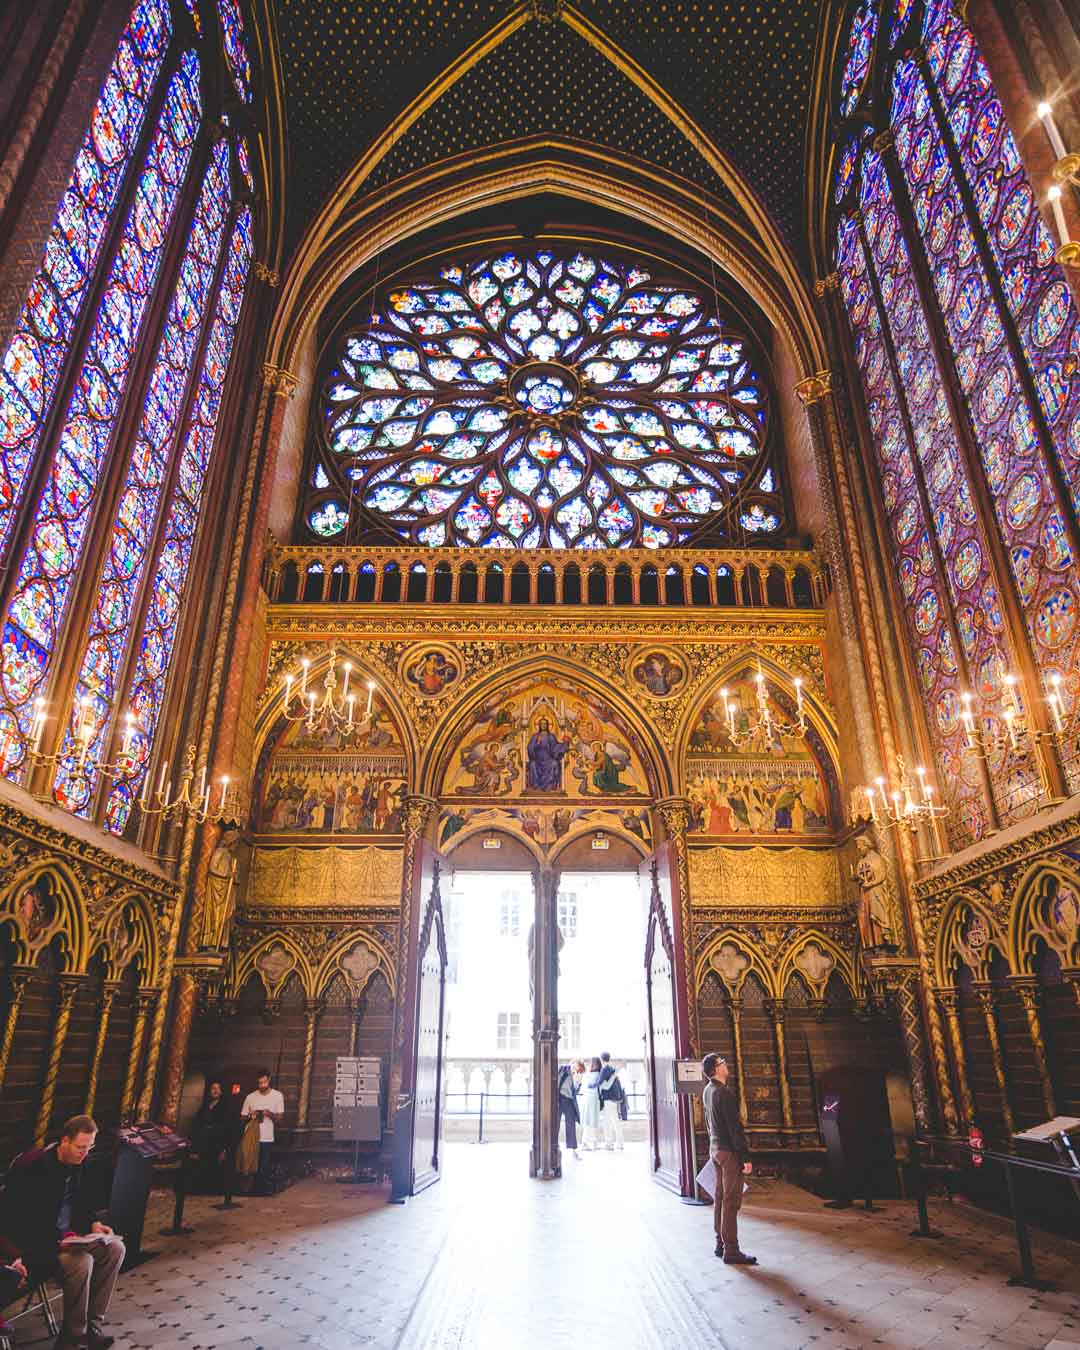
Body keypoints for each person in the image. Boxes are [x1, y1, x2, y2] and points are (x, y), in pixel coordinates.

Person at [0, 1115, 126, 1349]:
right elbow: (14, 1220)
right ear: (64, 1141)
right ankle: (71, 1337)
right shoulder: (32, 1167)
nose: (85, 1153)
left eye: (90, 1147)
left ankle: (93, 1327)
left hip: (67, 1239)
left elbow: (81, 1203)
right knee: (82, 1262)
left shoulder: (79, 1162)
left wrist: (93, 1226)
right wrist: (59, 1242)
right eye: (81, 1147)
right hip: (36, 1247)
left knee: (116, 1248)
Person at [702, 1052, 755, 1265]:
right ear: (716, 1069)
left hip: (715, 1149)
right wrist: (745, 1157)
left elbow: (708, 1122)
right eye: (723, 1062)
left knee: (720, 1199)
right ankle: (731, 1250)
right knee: (731, 1202)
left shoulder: (707, 1090)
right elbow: (735, 1129)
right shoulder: (724, 1093)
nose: (726, 1065)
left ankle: (720, 1243)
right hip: (729, 1152)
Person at [241, 1070, 285, 1196]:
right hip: (250, 1136)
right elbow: (242, 1118)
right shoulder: (250, 1097)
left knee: (263, 1165)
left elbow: (281, 1120)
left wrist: (269, 1114)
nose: (262, 1085)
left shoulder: (277, 1096)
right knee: (249, 1163)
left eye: (264, 1082)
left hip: (266, 1137)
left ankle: (261, 1190)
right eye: (259, 1083)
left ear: (269, 1080)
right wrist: (250, 1115)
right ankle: (248, 1190)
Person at [191, 1079, 235, 1193]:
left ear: (221, 1091)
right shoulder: (205, 1105)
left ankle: (213, 1190)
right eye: (213, 1088)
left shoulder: (226, 1106)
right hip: (204, 1139)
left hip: (217, 1140)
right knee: (202, 1165)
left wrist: (224, 1148)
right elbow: (197, 1123)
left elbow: (228, 1127)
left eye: (217, 1088)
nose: (215, 1091)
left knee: (215, 1166)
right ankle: (201, 1189)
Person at [596, 1052, 626, 1151]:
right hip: (615, 1100)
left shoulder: (604, 1070)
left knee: (607, 1123)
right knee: (616, 1121)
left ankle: (609, 1143)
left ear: (601, 1059)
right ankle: (620, 1143)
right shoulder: (612, 1069)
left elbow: (601, 1084)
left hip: (608, 1099)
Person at [556, 1060, 584, 1159]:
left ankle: (574, 1151)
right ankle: (554, 1147)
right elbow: (556, 1083)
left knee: (571, 1125)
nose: (576, 1069)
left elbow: (574, 1092)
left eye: (579, 1069)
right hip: (558, 1099)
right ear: (573, 1064)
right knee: (555, 1124)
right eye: (576, 1066)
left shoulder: (576, 1075)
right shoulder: (563, 1069)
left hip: (568, 1101)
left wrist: (578, 1083)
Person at [580, 1057, 603, 1151]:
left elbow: (583, 1088)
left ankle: (585, 1143)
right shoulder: (599, 1074)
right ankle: (594, 1143)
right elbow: (601, 1088)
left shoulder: (586, 1075)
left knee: (587, 1121)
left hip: (585, 1099)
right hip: (594, 1098)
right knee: (594, 1121)